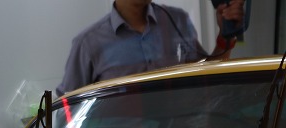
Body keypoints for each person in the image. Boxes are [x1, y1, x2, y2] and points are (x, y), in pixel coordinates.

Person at [56, 0, 246, 95]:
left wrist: (225, 36)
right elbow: (66, 110)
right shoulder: (89, 43)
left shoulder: (177, 21)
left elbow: (205, 80)